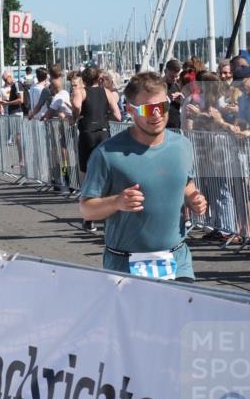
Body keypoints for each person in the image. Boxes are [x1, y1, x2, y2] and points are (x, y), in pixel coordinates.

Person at [79, 72, 207, 282]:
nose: (156, 115)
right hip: (126, 263)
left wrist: (194, 198)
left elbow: (186, 183)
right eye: (148, 109)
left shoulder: (182, 145)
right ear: (130, 110)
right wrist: (117, 202)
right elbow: (86, 209)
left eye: (162, 106)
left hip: (177, 259)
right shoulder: (107, 154)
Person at [72, 67, 121, 232]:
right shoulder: (106, 92)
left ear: (83, 79)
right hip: (103, 133)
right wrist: (104, 116)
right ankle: (108, 216)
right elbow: (118, 115)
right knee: (105, 173)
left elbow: (76, 105)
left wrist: (76, 116)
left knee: (86, 174)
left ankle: (88, 219)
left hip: (88, 133)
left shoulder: (80, 91)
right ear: (98, 78)